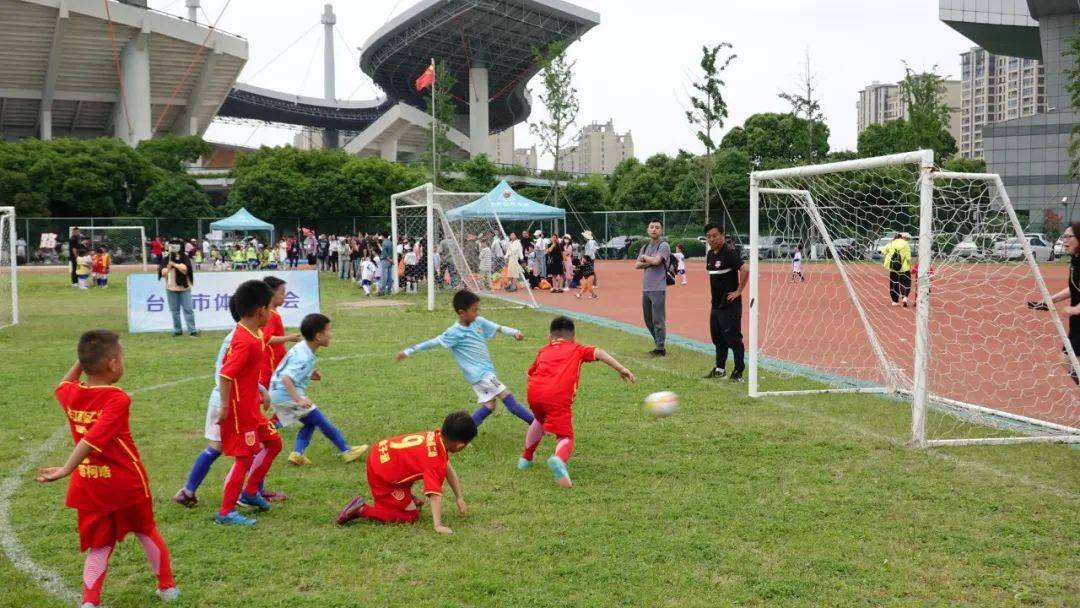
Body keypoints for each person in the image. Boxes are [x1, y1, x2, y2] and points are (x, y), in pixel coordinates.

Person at [37, 330, 178, 607]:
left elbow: (64, 383)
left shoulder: (71, 393)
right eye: (121, 357)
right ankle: (167, 587)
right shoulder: (117, 398)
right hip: (126, 482)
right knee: (146, 530)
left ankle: (90, 601)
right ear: (113, 364)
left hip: (90, 484)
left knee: (99, 545)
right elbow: (93, 439)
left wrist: (82, 360)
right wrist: (66, 468)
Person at [518, 316, 635, 487]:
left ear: (549, 337)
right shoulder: (577, 349)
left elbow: (529, 374)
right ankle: (559, 460)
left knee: (539, 420)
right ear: (573, 337)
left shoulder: (544, 350)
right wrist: (621, 368)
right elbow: (599, 352)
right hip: (557, 397)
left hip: (534, 393)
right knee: (565, 436)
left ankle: (525, 459)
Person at [395, 290, 534, 427]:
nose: (477, 313)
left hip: (483, 372)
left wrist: (514, 332)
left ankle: (462, 433)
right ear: (462, 312)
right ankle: (536, 424)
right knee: (506, 396)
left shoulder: (478, 322)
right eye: (474, 310)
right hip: (481, 374)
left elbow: (498, 327)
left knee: (490, 405)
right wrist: (408, 351)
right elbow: (432, 342)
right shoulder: (454, 332)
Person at [335, 411, 475, 533]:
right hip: (382, 474)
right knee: (411, 516)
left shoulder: (436, 436)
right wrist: (438, 525)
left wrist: (459, 497)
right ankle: (361, 509)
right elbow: (434, 494)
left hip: (381, 452)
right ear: (460, 445)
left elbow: (447, 468)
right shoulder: (434, 461)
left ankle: (406, 497)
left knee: (409, 474)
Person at [214, 280, 282, 525]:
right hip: (239, 412)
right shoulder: (243, 340)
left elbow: (246, 373)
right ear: (261, 310)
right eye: (270, 308)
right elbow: (225, 374)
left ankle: (251, 492)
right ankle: (225, 512)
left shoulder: (255, 333)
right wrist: (223, 407)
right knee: (243, 459)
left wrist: (260, 389)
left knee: (274, 443)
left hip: (252, 408)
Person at [173, 300, 248, 508]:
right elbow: (228, 374)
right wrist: (226, 404)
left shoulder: (237, 335)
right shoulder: (240, 339)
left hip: (223, 399)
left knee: (219, 446)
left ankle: (188, 490)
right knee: (252, 448)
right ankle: (243, 496)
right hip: (228, 401)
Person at [268, 313, 368, 465]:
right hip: (285, 393)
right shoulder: (304, 356)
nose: (331, 334)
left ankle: (297, 454)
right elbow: (286, 378)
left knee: (310, 422)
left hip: (277, 392)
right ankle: (346, 451)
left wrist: (310, 374)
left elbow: (291, 371)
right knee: (321, 420)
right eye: (328, 331)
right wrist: (298, 399)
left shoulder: (303, 348)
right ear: (318, 336)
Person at [1028, 221, 1080, 384]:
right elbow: (1074, 287)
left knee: (1068, 358)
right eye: (1063, 236)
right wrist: (1050, 301)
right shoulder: (1075, 259)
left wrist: (1075, 309)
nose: (1064, 240)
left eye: (1068, 237)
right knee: (1067, 359)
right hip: (1077, 322)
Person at [704, 224, 748, 381]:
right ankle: (719, 369)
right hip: (716, 305)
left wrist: (739, 291)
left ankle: (738, 372)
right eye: (709, 236)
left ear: (722, 235)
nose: (712, 239)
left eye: (715, 235)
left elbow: (745, 269)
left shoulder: (729, 253)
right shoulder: (710, 254)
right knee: (718, 338)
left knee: (733, 339)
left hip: (730, 305)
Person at [635, 219, 670, 356]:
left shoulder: (664, 245)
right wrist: (650, 261)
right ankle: (658, 343)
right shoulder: (645, 247)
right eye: (652, 227)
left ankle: (660, 348)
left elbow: (657, 261)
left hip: (658, 287)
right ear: (648, 230)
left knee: (658, 319)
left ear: (661, 231)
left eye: (657, 227)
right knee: (648, 319)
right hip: (646, 288)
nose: (654, 229)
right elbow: (636, 265)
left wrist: (645, 258)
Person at [161, 239, 197, 337]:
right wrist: (168, 267)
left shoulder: (185, 258)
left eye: (176, 245)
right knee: (174, 311)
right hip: (171, 288)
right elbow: (163, 273)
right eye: (172, 245)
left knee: (188, 309)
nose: (173, 247)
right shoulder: (166, 258)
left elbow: (185, 270)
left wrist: (175, 264)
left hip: (184, 287)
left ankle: (192, 331)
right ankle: (177, 330)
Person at [883, 232, 913, 307]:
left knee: (894, 283)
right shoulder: (906, 244)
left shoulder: (892, 243)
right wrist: (910, 265)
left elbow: (883, 251)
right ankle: (905, 297)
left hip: (893, 267)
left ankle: (895, 301)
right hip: (904, 268)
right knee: (906, 283)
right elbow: (908, 258)